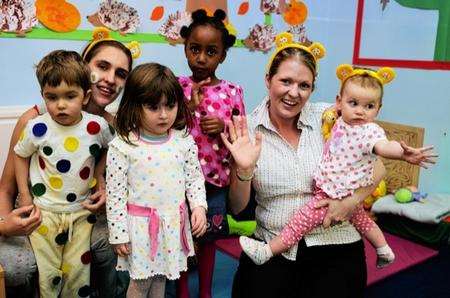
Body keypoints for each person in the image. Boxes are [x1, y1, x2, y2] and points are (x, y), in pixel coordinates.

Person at [220, 32, 387, 298]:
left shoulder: (332, 119)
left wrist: (350, 202)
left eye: (304, 85)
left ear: (312, 88)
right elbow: (239, 208)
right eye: (285, 81)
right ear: (268, 80)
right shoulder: (247, 131)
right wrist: (244, 169)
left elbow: (378, 167)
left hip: (336, 243)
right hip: (274, 245)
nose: (293, 93)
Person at [238, 64, 437, 268]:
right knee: (363, 220)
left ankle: (268, 251)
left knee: (298, 224)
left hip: (332, 195)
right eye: (354, 103)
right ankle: (384, 249)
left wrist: (402, 153)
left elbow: (384, 147)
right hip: (330, 190)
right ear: (339, 102)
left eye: (369, 106)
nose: (360, 111)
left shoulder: (368, 131)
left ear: (378, 109)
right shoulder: (335, 119)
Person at [0, 27, 132, 297]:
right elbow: (6, 188)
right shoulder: (35, 122)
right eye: (102, 66)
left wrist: (103, 184)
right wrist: (5, 224)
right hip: (37, 210)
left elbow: (119, 179)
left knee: (119, 248)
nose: (110, 79)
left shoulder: (107, 126)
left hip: (80, 212)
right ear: (84, 67)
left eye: (120, 73)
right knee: (18, 266)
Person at [105, 62, 208, 298]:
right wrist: (118, 233)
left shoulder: (182, 141)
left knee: (161, 279)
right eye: (153, 107)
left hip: (172, 225)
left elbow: (194, 179)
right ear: (134, 105)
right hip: (140, 228)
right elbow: (115, 194)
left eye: (170, 105)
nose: (164, 114)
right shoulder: (123, 146)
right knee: (140, 284)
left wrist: (199, 207)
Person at [177, 8, 246, 298]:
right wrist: (189, 109)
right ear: (186, 48)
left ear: (222, 56)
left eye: (211, 51)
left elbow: (241, 136)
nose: (201, 58)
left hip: (215, 182)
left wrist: (223, 126)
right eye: (195, 49)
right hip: (179, 180)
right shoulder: (177, 86)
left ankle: (205, 292)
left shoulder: (232, 91)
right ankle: (181, 291)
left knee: (209, 239)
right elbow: (164, 128)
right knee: (180, 241)